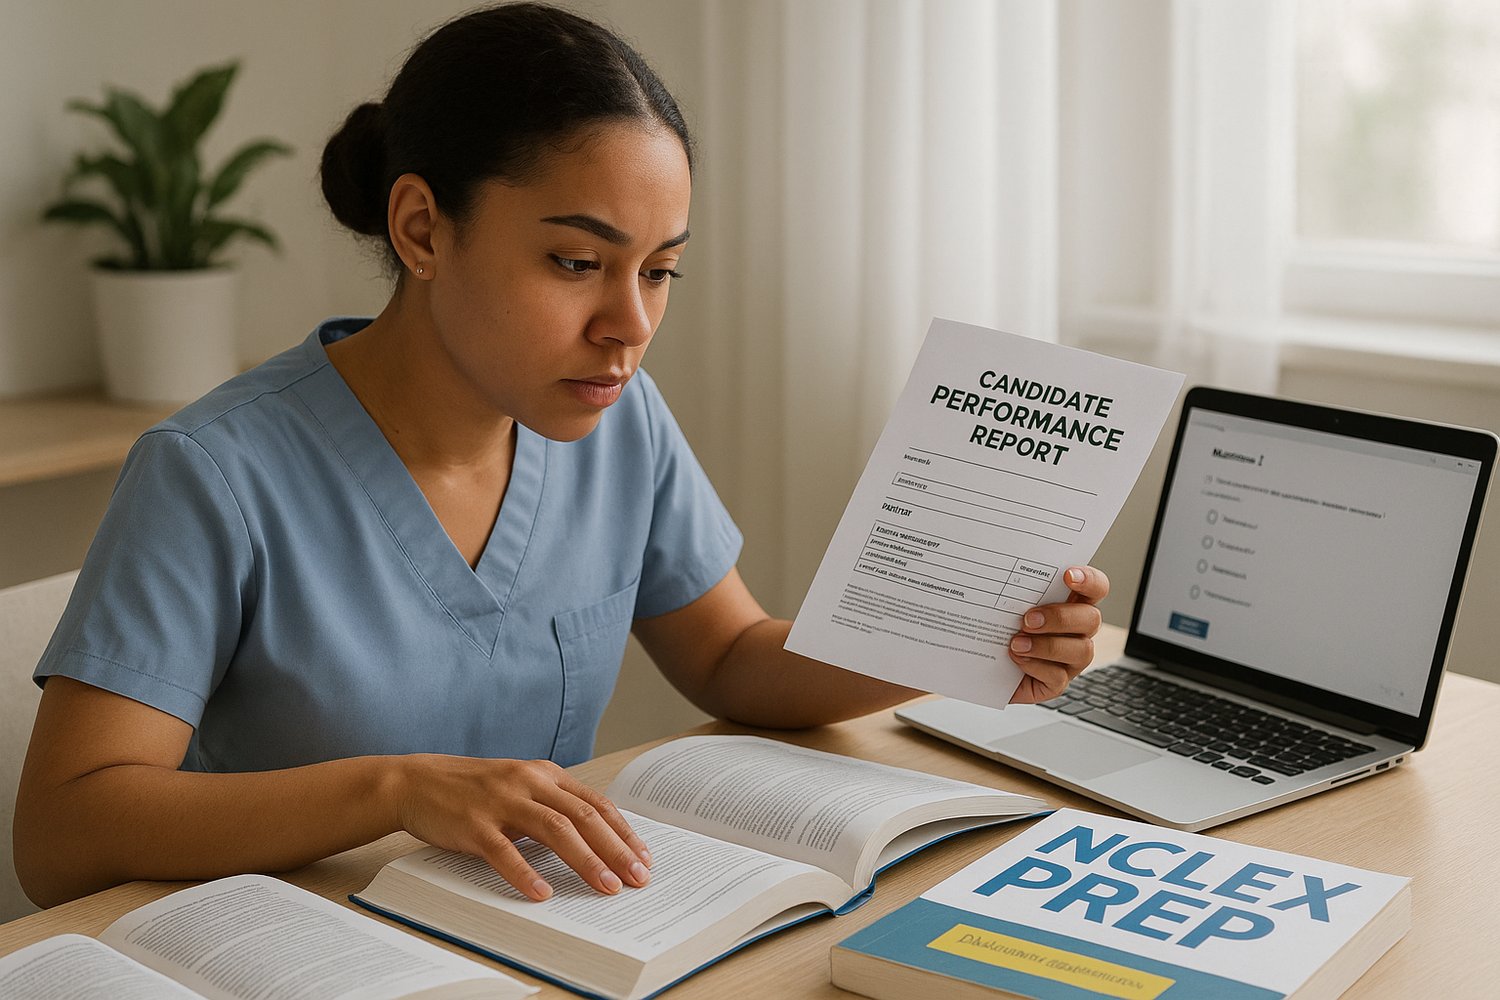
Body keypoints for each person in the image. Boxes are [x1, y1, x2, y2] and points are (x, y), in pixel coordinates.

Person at [14, 2, 1106, 910]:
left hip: (538, 942)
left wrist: (970, 634)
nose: (628, 323)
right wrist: (396, 788)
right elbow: (62, 832)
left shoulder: (618, 420)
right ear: (423, 230)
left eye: (661, 270)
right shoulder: (213, 472)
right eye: (578, 260)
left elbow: (732, 658)